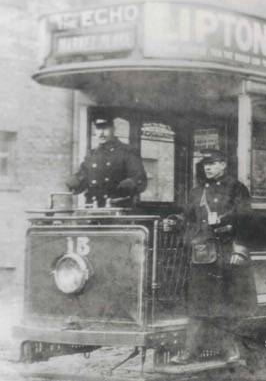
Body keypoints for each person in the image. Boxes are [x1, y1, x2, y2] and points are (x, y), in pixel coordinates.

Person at [163, 149, 254, 365]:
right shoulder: (198, 192)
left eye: (213, 163)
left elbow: (246, 219)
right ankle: (189, 352)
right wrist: (174, 222)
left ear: (223, 165)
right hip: (202, 255)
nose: (208, 167)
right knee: (197, 305)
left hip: (225, 254)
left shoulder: (236, 188)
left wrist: (240, 250)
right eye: (206, 164)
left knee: (225, 305)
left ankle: (230, 350)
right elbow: (187, 215)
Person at [66, 118, 147, 207]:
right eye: (98, 129)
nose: (101, 133)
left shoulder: (127, 151)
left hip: (118, 209)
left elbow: (139, 177)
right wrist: (76, 181)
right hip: (92, 208)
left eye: (105, 128)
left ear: (113, 129)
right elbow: (83, 176)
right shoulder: (91, 154)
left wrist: (129, 184)